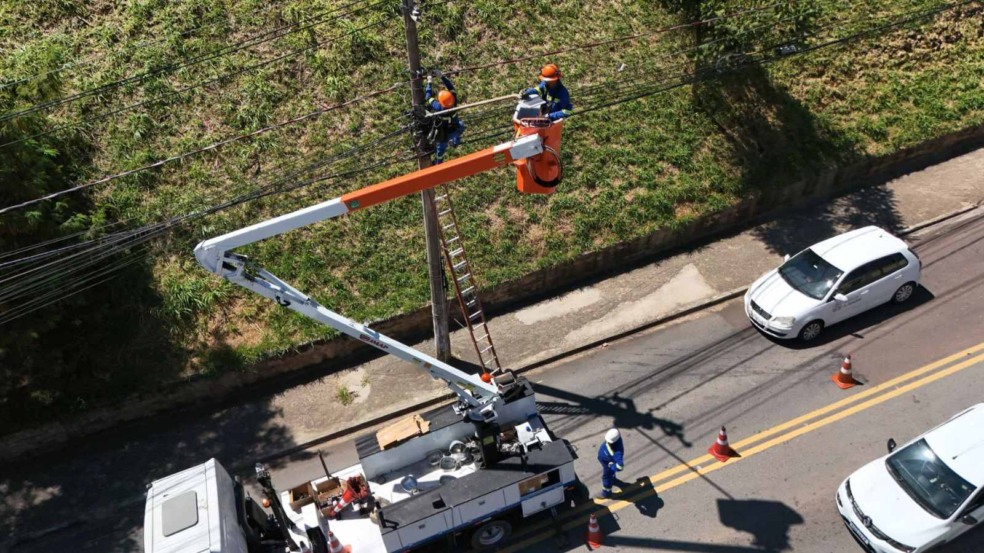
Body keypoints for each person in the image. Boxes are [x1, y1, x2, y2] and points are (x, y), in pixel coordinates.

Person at [425, 70, 466, 164]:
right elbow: (451, 88)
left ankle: (438, 163)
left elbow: (428, 97)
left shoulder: (439, 107)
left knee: (440, 149)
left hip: (444, 133)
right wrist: (442, 76)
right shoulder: (454, 101)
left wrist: (429, 82)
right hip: (455, 128)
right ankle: (455, 142)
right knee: (461, 125)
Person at [597, 428, 624, 498]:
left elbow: (620, 466)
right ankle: (613, 479)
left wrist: (611, 466)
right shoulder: (615, 434)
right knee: (610, 474)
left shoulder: (617, 452)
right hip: (605, 460)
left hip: (608, 463)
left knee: (607, 477)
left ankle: (606, 493)